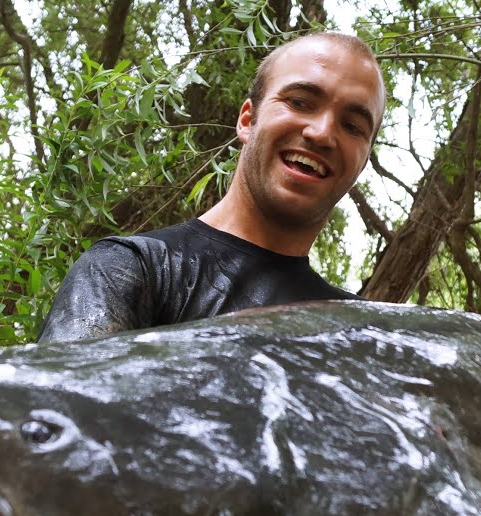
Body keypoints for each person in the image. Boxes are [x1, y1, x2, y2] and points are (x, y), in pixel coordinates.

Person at [36, 31, 387, 343]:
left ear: (363, 159)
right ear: (248, 120)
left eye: (353, 126)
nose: (322, 133)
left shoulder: (364, 335)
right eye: (299, 102)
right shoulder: (129, 271)